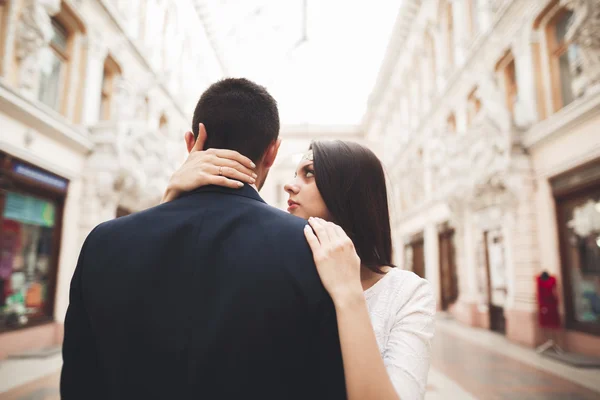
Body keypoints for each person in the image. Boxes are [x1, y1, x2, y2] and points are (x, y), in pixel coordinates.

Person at [60, 78, 347, 400]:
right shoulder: (311, 248)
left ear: (191, 142)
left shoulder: (104, 241)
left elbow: (79, 380)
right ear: (272, 151)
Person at [162, 136, 436, 399]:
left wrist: (349, 295)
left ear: (349, 190)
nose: (290, 186)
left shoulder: (407, 293)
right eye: (295, 174)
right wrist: (172, 204)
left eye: (310, 174)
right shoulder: (271, 270)